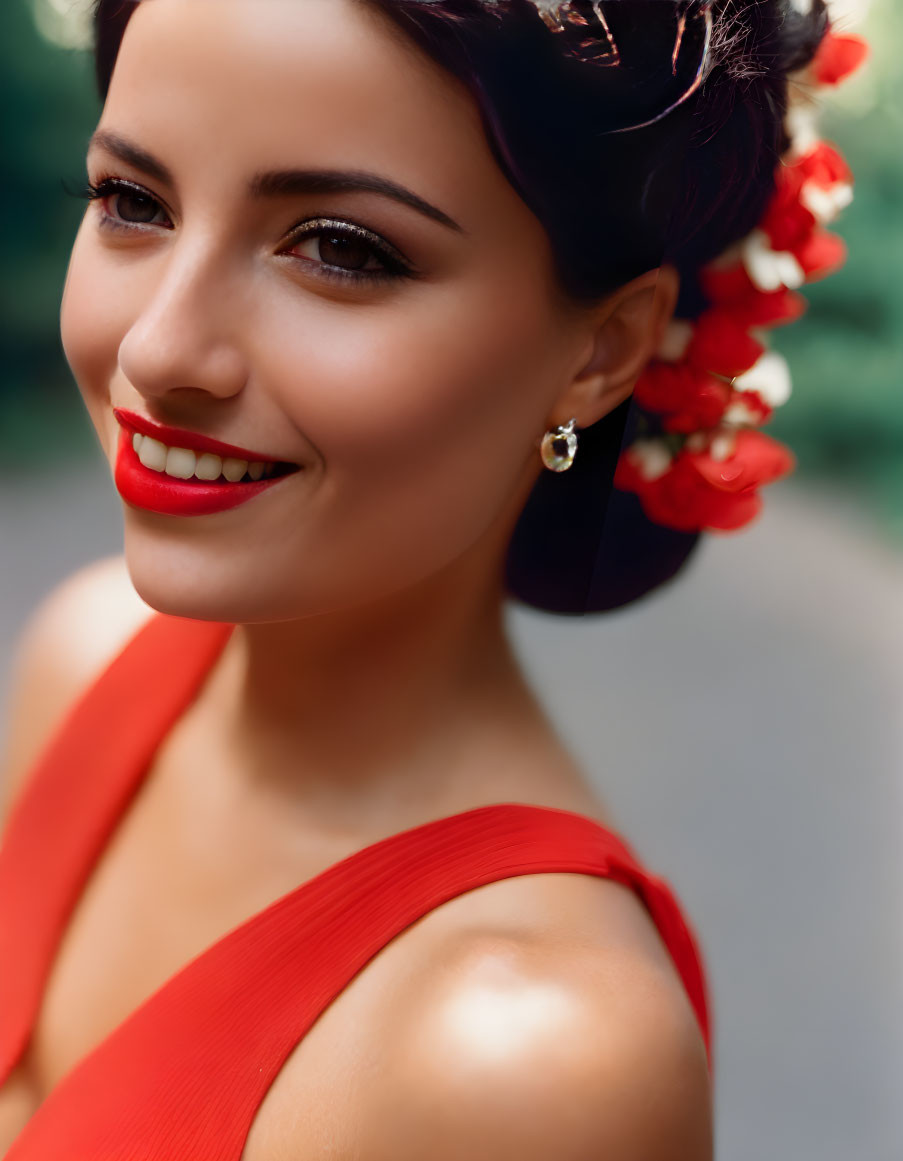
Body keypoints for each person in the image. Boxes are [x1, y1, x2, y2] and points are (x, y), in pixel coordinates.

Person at [0, 1, 865, 1158]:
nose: (158, 351)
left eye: (342, 248)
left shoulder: (531, 1063)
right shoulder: (85, 656)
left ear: (601, 351)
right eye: (133, 203)